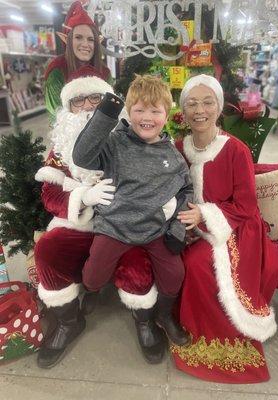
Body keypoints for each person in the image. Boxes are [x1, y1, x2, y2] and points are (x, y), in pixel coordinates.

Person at [35, 67, 162, 369]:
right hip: (78, 224)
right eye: (79, 101)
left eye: (96, 98)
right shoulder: (60, 149)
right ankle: (68, 321)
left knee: (137, 263)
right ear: (68, 109)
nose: (89, 106)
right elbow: (50, 196)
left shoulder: (128, 138)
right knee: (48, 250)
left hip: (121, 226)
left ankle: (143, 320)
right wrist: (83, 197)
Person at [171, 74, 278, 383]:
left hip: (236, 228)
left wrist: (204, 216)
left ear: (219, 108)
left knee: (198, 263)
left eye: (208, 103)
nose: (199, 110)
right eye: (192, 103)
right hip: (190, 223)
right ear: (183, 110)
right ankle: (177, 323)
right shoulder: (179, 147)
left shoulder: (236, 150)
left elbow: (246, 208)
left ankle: (216, 338)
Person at [72, 75, 193, 348]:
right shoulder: (115, 143)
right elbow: (81, 156)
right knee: (92, 277)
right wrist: (105, 114)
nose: (146, 117)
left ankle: (162, 315)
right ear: (128, 112)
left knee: (175, 274)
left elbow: (187, 191)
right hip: (114, 226)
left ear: (167, 113)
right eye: (139, 109)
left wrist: (176, 228)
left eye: (155, 110)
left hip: (154, 229)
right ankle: (91, 291)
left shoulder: (173, 157)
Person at [44, 1, 111, 124]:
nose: (85, 44)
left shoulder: (104, 72)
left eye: (91, 39)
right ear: (67, 40)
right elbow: (57, 116)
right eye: (78, 37)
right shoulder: (57, 71)